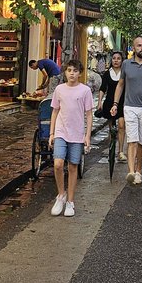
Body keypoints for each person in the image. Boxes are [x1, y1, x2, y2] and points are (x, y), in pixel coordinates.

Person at [111, 36, 142, 185]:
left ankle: (139, 170)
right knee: (132, 140)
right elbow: (120, 84)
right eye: (139, 45)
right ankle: (131, 172)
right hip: (129, 106)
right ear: (133, 48)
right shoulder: (126, 64)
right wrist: (115, 103)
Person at [49, 58, 93, 218]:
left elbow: (89, 114)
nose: (72, 73)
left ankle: (70, 201)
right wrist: (52, 133)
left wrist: (87, 135)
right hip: (61, 131)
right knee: (58, 164)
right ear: (65, 72)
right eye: (69, 71)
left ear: (80, 73)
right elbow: (54, 111)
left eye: (75, 71)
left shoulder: (85, 91)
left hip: (77, 134)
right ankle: (61, 195)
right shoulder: (59, 89)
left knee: (73, 166)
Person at [98, 49, 127, 161]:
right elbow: (102, 88)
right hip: (109, 103)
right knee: (111, 128)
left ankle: (120, 151)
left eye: (118, 58)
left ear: (122, 61)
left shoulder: (124, 73)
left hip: (122, 103)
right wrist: (99, 101)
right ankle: (111, 146)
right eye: (114, 58)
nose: (116, 61)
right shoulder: (107, 73)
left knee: (121, 125)